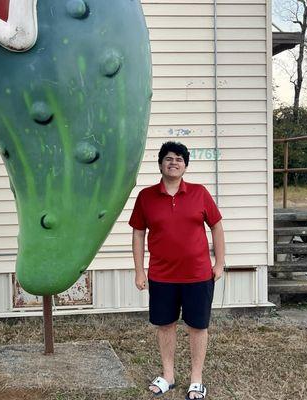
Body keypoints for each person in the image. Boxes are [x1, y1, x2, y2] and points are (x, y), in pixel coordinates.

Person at [129, 141, 225, 399]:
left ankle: (196, 379)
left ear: (185, 165)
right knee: (165, 325)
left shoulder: (199, 193)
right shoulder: (146, 196)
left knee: (198, 326)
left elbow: (216, 226)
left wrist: (220, 263)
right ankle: (168, 376)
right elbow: (138, 234)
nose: (174, 162)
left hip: (198, 275)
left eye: (179, 159)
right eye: (168, 158)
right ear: (160, 163)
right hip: (161, 276)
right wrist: (139, 270)